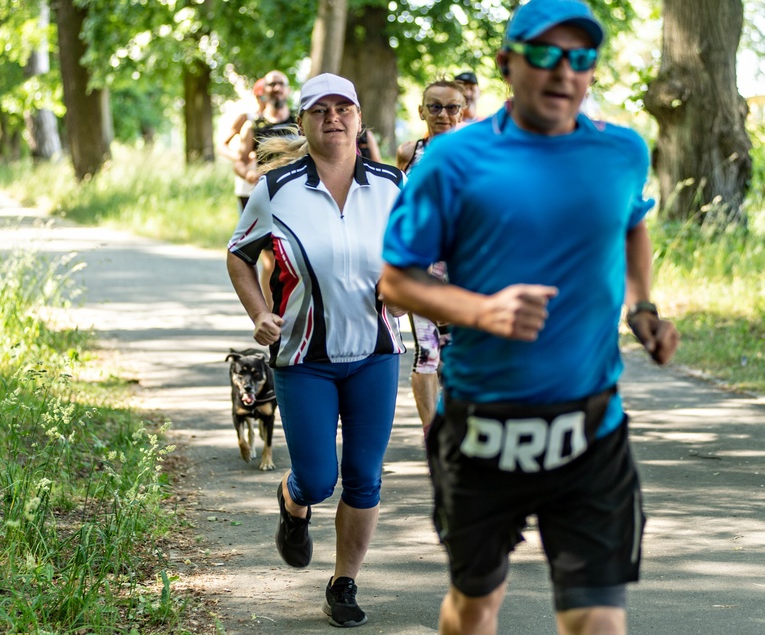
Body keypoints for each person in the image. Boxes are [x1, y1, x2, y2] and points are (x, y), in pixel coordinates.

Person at [379, 1, 680, 634]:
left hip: (591, 430)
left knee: (598, 621)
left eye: (580, 58)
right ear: (507, 64)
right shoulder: (452, 161)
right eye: (544, 54)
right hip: (484, 431)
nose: (562, 71)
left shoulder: (621, 152)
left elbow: (631, 224)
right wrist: (481, 310)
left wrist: (643, 306)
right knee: (475, 606)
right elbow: (396, 280)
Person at [227, 73, 406, 629]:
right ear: (302, 123)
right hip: (303, 358)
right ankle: (293, 499)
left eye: (343, 108)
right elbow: (239, 255)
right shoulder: (276, 189)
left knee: (364, 478)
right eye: (320, 110)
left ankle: (343, 583)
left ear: (358, 119)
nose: (333, 117)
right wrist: (259, 312)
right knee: (318, 478)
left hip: (377, 352)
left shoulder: (392, 185)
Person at [395, 80, 466, 436]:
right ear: (421, 110)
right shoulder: (409, 152)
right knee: (427, 352)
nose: (443, 114)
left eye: (451, 107)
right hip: (424, 267)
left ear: (463, 109)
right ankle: (432, 435)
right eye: (434, 107)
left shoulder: (479, 151)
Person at [234, 70, 298, 309]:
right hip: (267, 199)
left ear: (288, 90)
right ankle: (272, 313)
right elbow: (240, 161)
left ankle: (293, 307)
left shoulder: (298, 123)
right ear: (265, 90)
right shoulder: (254, 126)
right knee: (271, 261)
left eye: (281, 84)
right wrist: (248, 174)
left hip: (296, 198)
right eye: (272, 84)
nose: (276, 88)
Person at [219, 78, 266, 214]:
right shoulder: (247, 118)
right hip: (247, 184)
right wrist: (241, 158)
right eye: (260, 96)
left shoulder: (280, 121)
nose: (263, 101)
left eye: (266, 97)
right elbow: (222, 146)